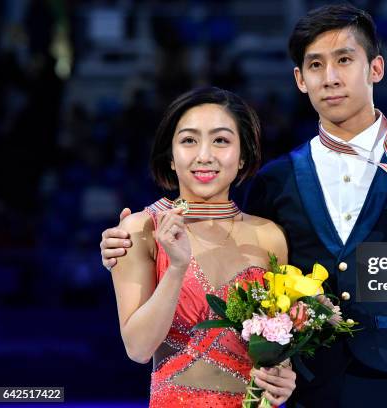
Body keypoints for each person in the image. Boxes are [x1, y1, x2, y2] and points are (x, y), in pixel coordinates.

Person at [101, 5, 387, 407]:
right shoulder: (279, 178)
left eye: (344, 60)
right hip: (307, 384)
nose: (331, 78)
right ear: (300, 80)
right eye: (316, 65)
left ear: (375, 68)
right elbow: (241, 262)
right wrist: (126, 242)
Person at [107, 87, 296, 407]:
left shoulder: (269, 236)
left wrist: (283, 374)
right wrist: (177, 267)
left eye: (221, 140)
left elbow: (275, 343)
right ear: (170, 156)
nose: (204, 155)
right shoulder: (141, 229)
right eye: (189, 140)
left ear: (243, 156)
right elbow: (138, 348)